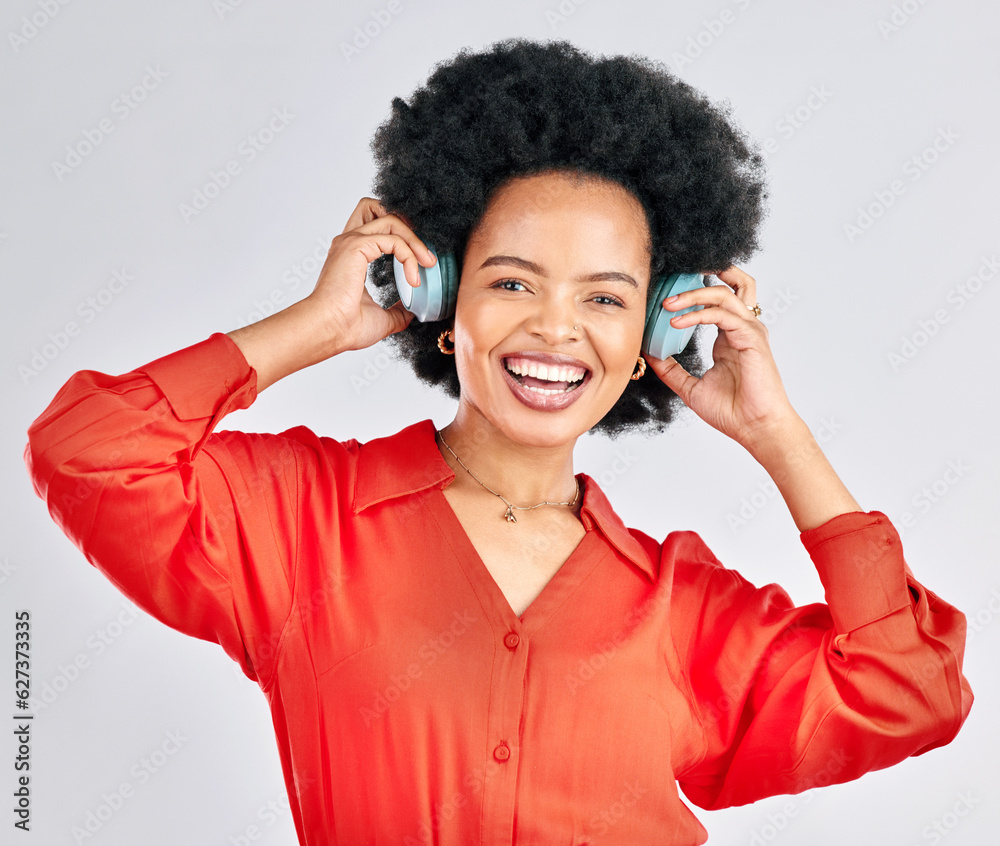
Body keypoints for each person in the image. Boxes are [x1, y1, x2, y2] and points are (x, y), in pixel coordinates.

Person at [25, 39, 972, 845]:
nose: (557, 329)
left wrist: (777, 434)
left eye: (605, 298)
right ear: (440, 300)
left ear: (651, 339)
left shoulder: (682, 608)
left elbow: (909, 690)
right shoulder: (298, 520)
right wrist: (317, 324)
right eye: (514, 283)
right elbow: (89, 449)